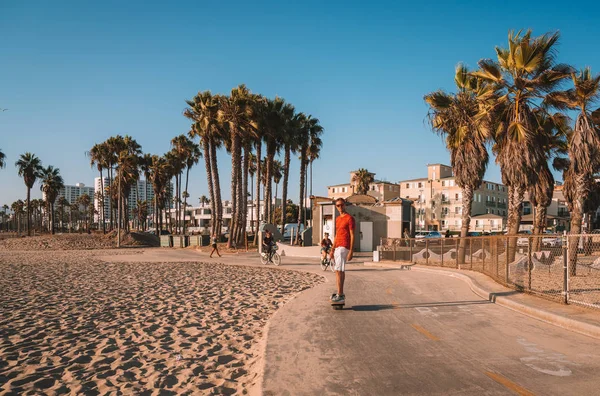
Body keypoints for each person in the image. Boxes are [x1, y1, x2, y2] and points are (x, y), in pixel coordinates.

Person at [329, 198, 355, 302]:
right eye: (338, 205)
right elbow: (336, 235)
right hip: (337, 247)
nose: (340, 207)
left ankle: (340, 294)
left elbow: (352, 235)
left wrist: (351, 251)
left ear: (345, 205)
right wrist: (332, 249)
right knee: (339, 271)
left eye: (342, 205)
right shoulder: (337, 219)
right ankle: (340, 293)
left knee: (339, 270)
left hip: (344, 246)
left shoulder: (350, 218)